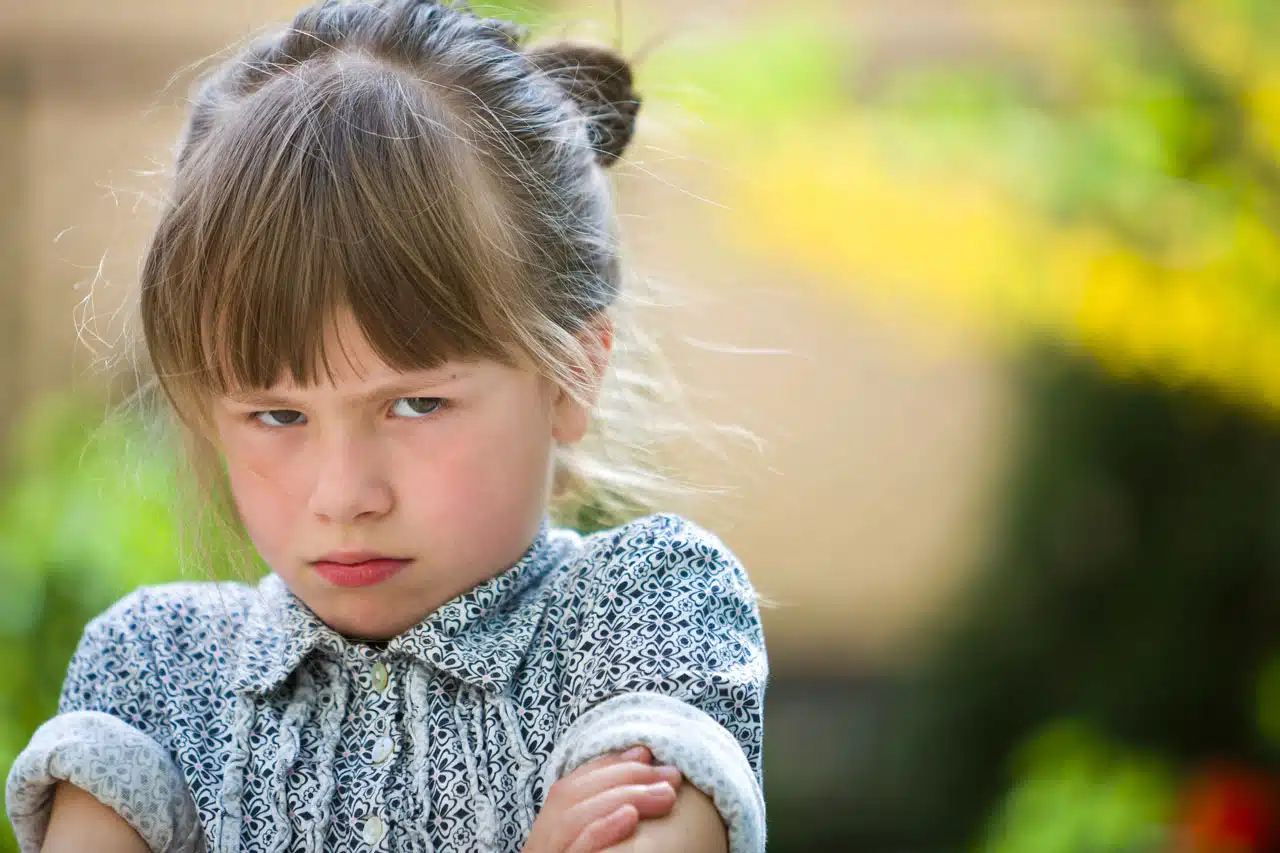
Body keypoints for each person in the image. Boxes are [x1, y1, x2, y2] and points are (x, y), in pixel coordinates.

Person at [3, 1, 768, 852]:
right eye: (277, 414)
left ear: (572, 372)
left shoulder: (640, 615)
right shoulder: (154, 674)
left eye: (415, 404)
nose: (343, 495)